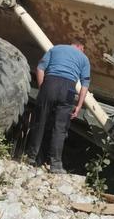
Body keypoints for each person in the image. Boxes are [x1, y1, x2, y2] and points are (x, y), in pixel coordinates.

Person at [26, 42, 90, 173]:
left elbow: (40, 68)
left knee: (40, 122)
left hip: (50, 83)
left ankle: (31, 157)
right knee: (60, 128)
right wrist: (79, 105)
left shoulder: (55, 49)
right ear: (81, 48)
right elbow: (85, 85)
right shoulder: (84, 59)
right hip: (68, 90)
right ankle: (55, 164)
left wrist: (42, 88)